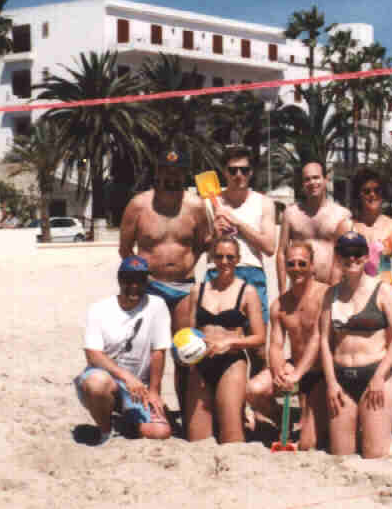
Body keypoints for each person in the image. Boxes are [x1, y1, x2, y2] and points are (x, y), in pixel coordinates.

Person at [320, 232, 392, 458]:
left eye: (357, 253)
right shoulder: (331, 294)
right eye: (345, 253)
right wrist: (331, 382)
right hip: (342, 377)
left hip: (375, 375)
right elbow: (324, 341)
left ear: (366, 257)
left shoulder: (383, 290)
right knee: (340, 453)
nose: (352, 258)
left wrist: (379, 376)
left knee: (375, 454)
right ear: (338, 257)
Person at [119, 148, 213, 418]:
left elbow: (204, 242)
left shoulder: (196, 206)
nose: (171, 178)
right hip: (149, 287)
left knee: (185, 352)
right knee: (148, 351)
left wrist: (188, 263)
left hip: (184, 288)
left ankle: (186, 411)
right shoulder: (138, 205)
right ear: (157, 172)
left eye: (177, 173)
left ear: (184, 174)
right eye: (166, 172)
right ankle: (147, 407)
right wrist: (140, 278)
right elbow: (125, 249)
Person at [73, 255, 172, 444]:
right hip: (107, 380)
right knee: (97, 383)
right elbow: (92, 355)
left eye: (140, 280)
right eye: (128, 280)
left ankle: (128, 419)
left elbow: (159, 351)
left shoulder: (157, 306)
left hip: (139, 389)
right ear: (119, 280)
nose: (134, 286)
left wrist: (154, 391)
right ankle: (105, 430)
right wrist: (127, 377)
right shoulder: (99, 309)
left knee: (160, 432)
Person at [178, 237, 266, 443]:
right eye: (219, 256)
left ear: (238, 259)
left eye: (230, 257)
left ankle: (240, 418)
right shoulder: (198, 290)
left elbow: (260, 338)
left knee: (231, 440)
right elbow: (190, 331)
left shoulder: (247, 291)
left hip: (231, 363)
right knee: (197, 441)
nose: (224, 261)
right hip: (201, 362)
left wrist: (231, 343)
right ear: (212, 259)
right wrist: (185, 351)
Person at [246, 241, 329, 449]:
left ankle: (313, 420)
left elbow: (317, 338)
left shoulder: (325, 295)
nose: (296, 268)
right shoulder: (280, 305)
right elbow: (275, 345)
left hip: (322, 371)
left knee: (308, 444)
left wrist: (297, 375)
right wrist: (279, 372)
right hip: (295, 367)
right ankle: (281, 421)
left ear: (312, 266)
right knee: (253, 389)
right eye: (291, 264)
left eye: (302, 263)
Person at [350, 167, 392, 437]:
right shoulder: (351, 227)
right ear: (359, 194)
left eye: (376, 191)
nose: (372, 195)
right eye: (366, 191)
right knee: (365, 358)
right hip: (359, 297)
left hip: (388, 296)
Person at [208, 145, 277, 375]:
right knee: (216, 346)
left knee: (258, 350)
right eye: (233, 170)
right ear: (224, 172)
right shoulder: (210, 202)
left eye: (244, 170)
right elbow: (203, 247)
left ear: (251, 172)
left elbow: (269, 247)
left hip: (252, 273)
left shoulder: (264, 203)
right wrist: (215, 234)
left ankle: (258, 396)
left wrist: (238, 224)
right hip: (217, 271)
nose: (239, 175)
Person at [276, 162, 352, 293]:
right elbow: (282, 253)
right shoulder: (291, 213)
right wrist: (282, 291)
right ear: (302, 184)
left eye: (316, 177)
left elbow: (348, 256)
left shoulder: (342, 214)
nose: (312, 183)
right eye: (307, 179)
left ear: (325, 179)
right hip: (299, 289)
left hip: (331, 289)